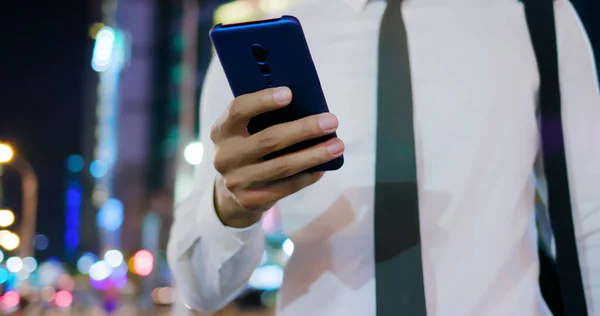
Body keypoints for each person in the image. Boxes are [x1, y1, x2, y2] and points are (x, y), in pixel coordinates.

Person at [167, 0, 600, 315]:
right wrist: (231, 207)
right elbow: (201, 289)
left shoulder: (537, 17)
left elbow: (591, 225)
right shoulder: (260, 47)